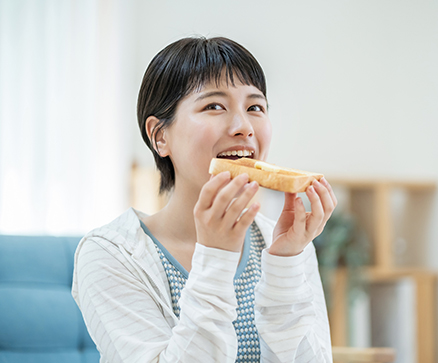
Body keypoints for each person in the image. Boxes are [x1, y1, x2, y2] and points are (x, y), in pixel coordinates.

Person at [72, 36, 337, 363]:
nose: (243, 127)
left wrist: (285, 262)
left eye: (255, 107)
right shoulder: (110, 254)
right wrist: (216, 256)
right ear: (160, 136)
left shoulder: (284, 245)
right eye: (214, 106)